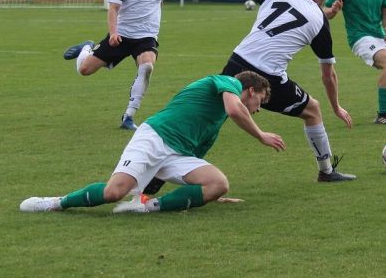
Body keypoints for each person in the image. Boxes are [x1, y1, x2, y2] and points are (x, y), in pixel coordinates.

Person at [171, 0, 356, 183]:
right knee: (313, 110)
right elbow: (328, 75)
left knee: (213, 117)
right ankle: (327, 171)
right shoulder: (320, 22)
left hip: (236, 62)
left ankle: (174, 159)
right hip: (265, 77)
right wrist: (337, 106)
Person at [19, 71, 285, 214]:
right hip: (154, 137)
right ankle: (56, 202)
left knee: (218, 184)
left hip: (176, 154)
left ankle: (146, 208)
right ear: (250, 90)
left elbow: (196, 163)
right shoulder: (227, 82)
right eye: (259, 101)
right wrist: (261, 135)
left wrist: (208, 196)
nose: (258, 109)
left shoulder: (214, 123)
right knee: (114, 193)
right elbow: (235, 109)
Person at [63, 0, 170, 130]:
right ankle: (86, 48)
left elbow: (158, 3)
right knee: (85, 70)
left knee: (146, 67)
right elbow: (113, 9)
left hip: (146, 37)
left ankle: (128, 116)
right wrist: (113, 33)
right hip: (121, 35)